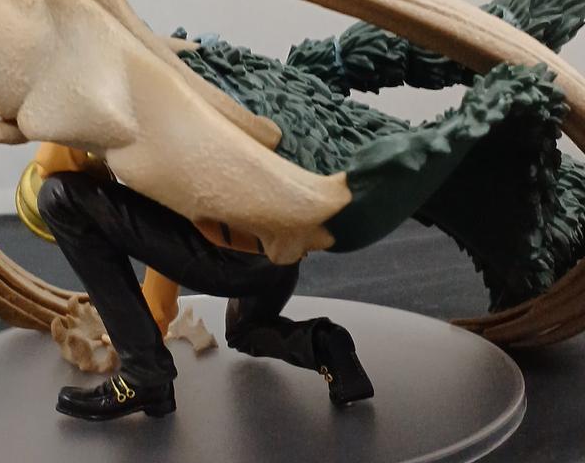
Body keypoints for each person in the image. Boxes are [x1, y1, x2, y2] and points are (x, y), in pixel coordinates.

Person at [34, 143, 374, 424]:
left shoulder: (129, 92)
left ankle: (143, 376)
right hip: (279, 252)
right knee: (245, 330)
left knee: (59, 196)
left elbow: (51, 162)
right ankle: (325, 343)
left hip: (226, 256)